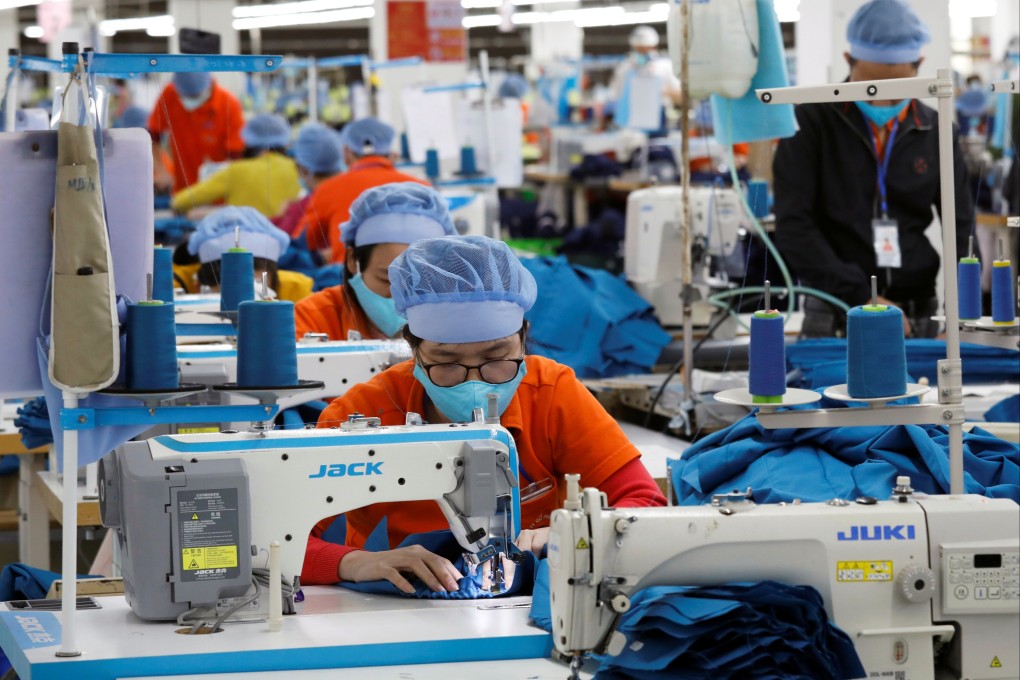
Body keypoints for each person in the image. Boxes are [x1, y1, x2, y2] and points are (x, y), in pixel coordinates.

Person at [301, 235, 666, 592]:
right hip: (389, 607)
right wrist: (355, 562)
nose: (474, 383)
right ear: (413, 350)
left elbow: (645, 505)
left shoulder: (552, 394)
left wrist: (576, 531)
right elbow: (270, 541)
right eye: (447, 362)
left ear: (524, 336)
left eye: (496, 358)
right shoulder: (362, 413)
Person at [773, 0, 973, 339]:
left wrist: (965, 314)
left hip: (918, 311)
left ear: (918, 66)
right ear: (849, 61)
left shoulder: (937, 130)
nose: (881, 103)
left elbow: (961, 226)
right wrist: (861, 297)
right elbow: (794, 225)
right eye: (871, 89)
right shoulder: (811, 123)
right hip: (836, 313)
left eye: (895, 94)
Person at [294, 183, 456, 341]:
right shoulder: (313, 318)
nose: (402, 298)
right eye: (387, 279)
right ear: (352, 261)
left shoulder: (460, 319)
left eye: (420, 282)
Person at [297, 117, 426, 264]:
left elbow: (302, 242)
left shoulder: (328, 189)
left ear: (346, 153)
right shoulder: (421, 187)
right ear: (392, 154)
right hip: (410, 281)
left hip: (348, 282)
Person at [170, 114, 300, 219]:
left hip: (242, 246)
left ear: (249, 141)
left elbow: (180, 202)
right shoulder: (296, 168)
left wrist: (214, 213)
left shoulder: (236, 171)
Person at [174, 206, 313, 302]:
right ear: (198, 287)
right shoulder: (171, 292)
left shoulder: (296, 291)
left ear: (276, 283)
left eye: (259, 294)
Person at [147, 72, 245, 194]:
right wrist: (161, 170)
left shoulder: (229, 105)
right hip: (183, 192)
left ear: (208, 86)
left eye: (195, 96)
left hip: (217, 194)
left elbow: (236, 158)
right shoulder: (170, 94)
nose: (188, 101)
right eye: (183, 96)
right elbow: (151, 137)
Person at [272, 123, 344, 237]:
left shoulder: (304, 208)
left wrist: (284, 215)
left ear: (304, 170)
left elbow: (279, 244)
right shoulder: (352, 196)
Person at [609, 25, 682, 128]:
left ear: (654, 47)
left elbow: (682, 96)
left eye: (645, 49)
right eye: (639, 49)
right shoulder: (624, 68)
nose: (642, 52)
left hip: (660, 120)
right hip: (630, 122)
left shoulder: (665, 67)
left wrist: (663, 91)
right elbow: (615, 96)